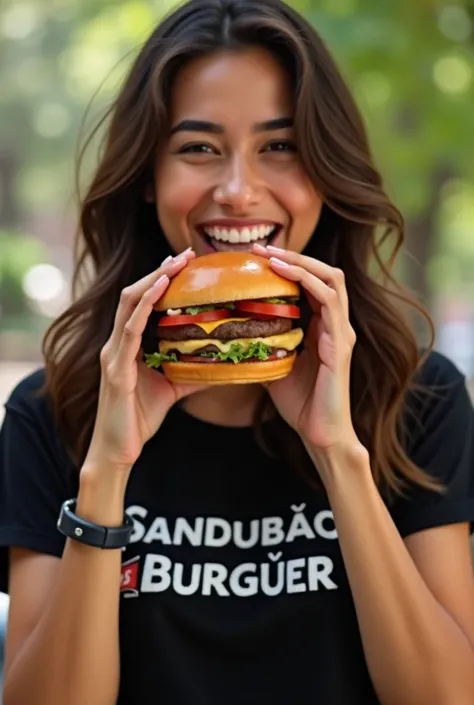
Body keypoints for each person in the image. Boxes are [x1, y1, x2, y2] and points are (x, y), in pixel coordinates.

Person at [0, 1, 473, 704]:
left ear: (326, 170)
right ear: (147, 176)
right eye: (199, 148)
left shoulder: (420, 396)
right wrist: (107, 472)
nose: (238, 191)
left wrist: (338, 453)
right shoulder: (54, 409)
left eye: (279, 146)